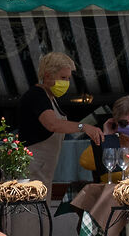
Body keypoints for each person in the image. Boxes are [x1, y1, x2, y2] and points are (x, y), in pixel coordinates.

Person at [6, 52, 92, 181]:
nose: (66, 83)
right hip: (30, 170)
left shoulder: (51, 99)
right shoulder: (37, 96)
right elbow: (53, 124)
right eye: (63, 77)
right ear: (47, 75)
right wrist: (83, 127)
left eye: (68, 78)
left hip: (43, 170)